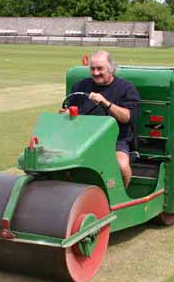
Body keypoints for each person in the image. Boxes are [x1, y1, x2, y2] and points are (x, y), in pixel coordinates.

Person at [60, 51, 140, 188]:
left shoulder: (126, 88)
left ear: (111, 69)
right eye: (92, 69)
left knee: (121, 167)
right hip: (83, 138)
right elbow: (70, 111)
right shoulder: (80, 86)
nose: (95, 73)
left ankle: (120, 200)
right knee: (62, 164)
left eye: (100, 68)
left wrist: (105, 103)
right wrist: (66, 113)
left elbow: (127, 117)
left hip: (116, 140)